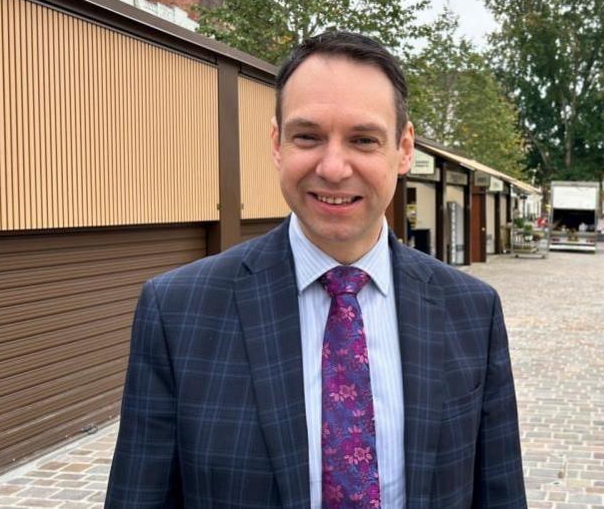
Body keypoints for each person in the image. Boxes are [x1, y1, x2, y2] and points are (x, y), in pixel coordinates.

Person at [106, 32, 526, 508]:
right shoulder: (179, 312)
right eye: (308, 136)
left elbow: (499, 493)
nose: (332, 167)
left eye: (363, 140)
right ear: (277, 142)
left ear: (404, 148)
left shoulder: (471, 311)